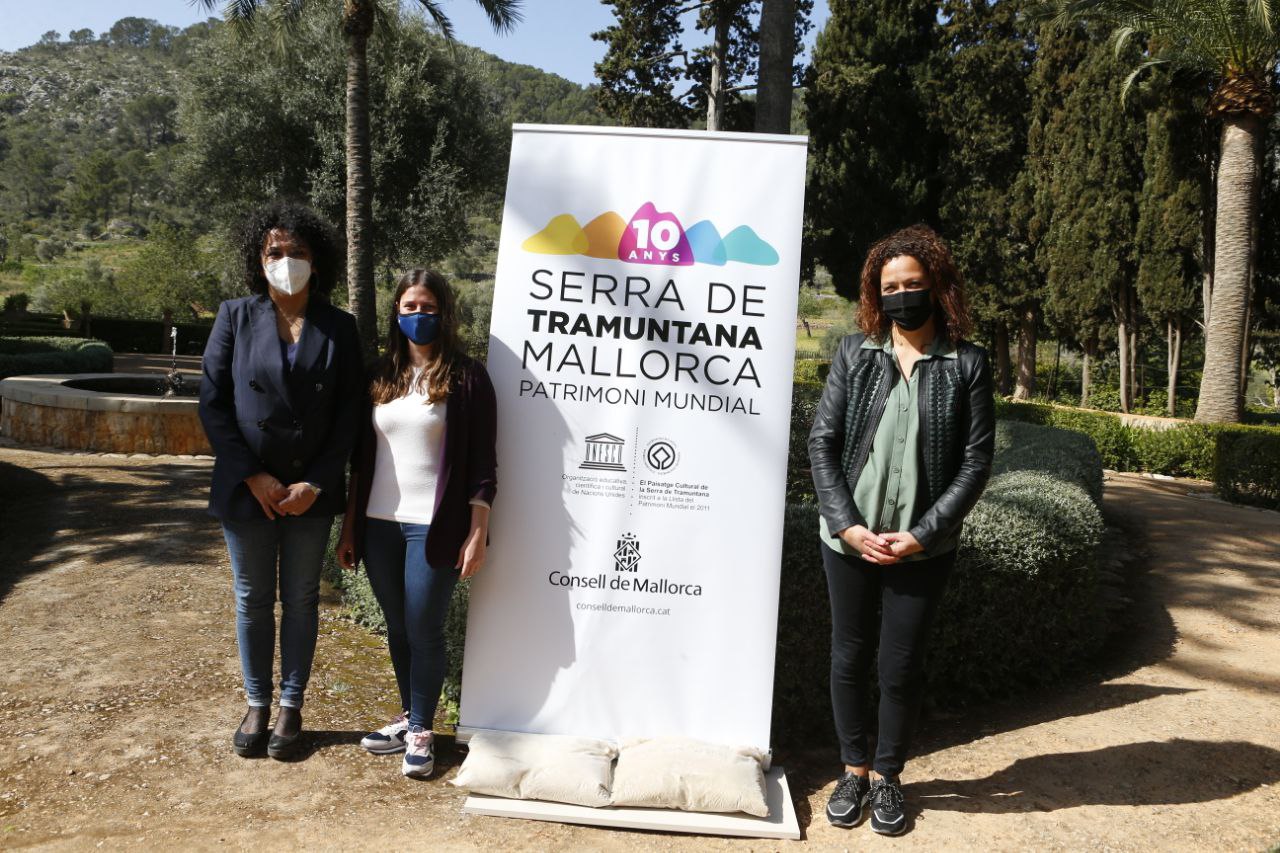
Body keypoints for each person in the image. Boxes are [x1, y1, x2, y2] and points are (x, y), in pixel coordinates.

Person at [808, 224, 994, 835]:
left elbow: (975, 462)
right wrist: (847, 525)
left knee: (901, 665)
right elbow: (823, 443)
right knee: (849, 655)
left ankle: (889, 776)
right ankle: (854, 770)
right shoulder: (854, 355)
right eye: (891, 286)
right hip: (849, 540)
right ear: (875, 293)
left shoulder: (967, 364)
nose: (903, 295)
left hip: (923, 548)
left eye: (913, 284)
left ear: (936, 285)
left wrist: (924, 533)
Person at [199, 202, 362, 760]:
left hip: (308, 496)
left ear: (317, 262)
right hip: (248, 489)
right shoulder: (234, 317)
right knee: (251, 599)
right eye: (275, 253)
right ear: (258, 259)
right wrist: (254, 476)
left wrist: (315, 483)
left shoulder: (340, 326)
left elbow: (349, 416)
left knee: (300, 599)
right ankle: (257, 703)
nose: (286, 261)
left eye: (297, 253)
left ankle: (291, 706)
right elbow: (213, 404)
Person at [337, 268, 497, 780]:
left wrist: (478, 530)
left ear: (444, 312)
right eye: (409, 308)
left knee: (425, 628)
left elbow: (483, 466)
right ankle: (410, 717)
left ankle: (424, 731)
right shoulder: (379, 375)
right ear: (396, 314)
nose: (418, 316)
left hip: (434, 525)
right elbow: (362, 462)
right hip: (379, 523)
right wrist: (349, 527)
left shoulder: (468, 377)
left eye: (427, 307)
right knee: (399, 628)